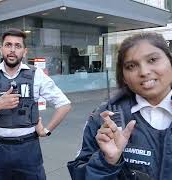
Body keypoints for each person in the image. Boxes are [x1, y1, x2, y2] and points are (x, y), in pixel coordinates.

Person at [67, 32, 172, 180]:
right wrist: (107, 162)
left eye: (153, 59)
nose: (144, 72)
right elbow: (80, 174)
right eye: (131, 66)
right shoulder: (105, 118)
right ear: (123, 77)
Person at [0, 28, 72, 179]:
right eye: (8, 45)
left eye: (17, 46)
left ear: (24, 51)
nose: (12, 50)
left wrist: (46, 130)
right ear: (1, 49)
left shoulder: (36, 75)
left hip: (29, 150)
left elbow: (64, 105)